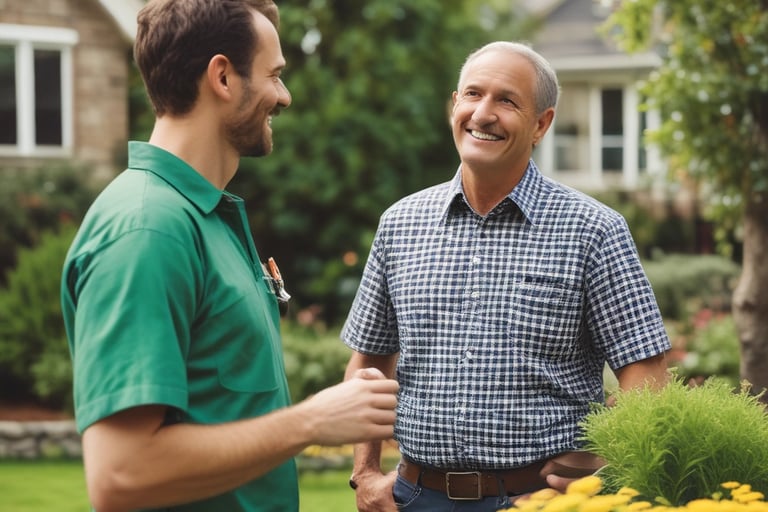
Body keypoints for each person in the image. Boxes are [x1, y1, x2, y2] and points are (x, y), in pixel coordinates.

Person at [60, 1, 399, 511]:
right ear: (222, 77)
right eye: (275, 75)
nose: (283, 97)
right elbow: (120, 474)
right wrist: (312, 420)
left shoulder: (204, 217)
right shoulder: (149, 230)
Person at [341, 41, 670, 511]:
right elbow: (369, 362)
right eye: (473, 95)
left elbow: (646, 371)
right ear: (455, 105)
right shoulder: (400, 223)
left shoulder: (594, 230)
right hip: (414, 498)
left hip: (538, 501)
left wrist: (613, 468)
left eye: (507, 101)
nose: (484, 113)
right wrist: (365, 472)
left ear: (541, 124)